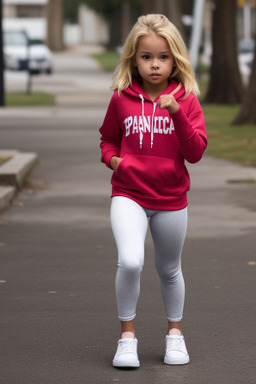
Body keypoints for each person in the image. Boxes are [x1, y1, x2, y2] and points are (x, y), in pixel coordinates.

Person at [99, 14, 207, 368]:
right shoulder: (121, 98)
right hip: (128, 194)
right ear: (134, 59)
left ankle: (175, 335)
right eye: (146, 57)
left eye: (162, 57)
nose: (155, 64)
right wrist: (116, 161)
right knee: (130, 261)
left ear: (175, 59)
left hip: (171, 199)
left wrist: (176, 112)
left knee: (169, 269)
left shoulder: (187, 99)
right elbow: (108, 139)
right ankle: (126, 337)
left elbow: (195, 152)